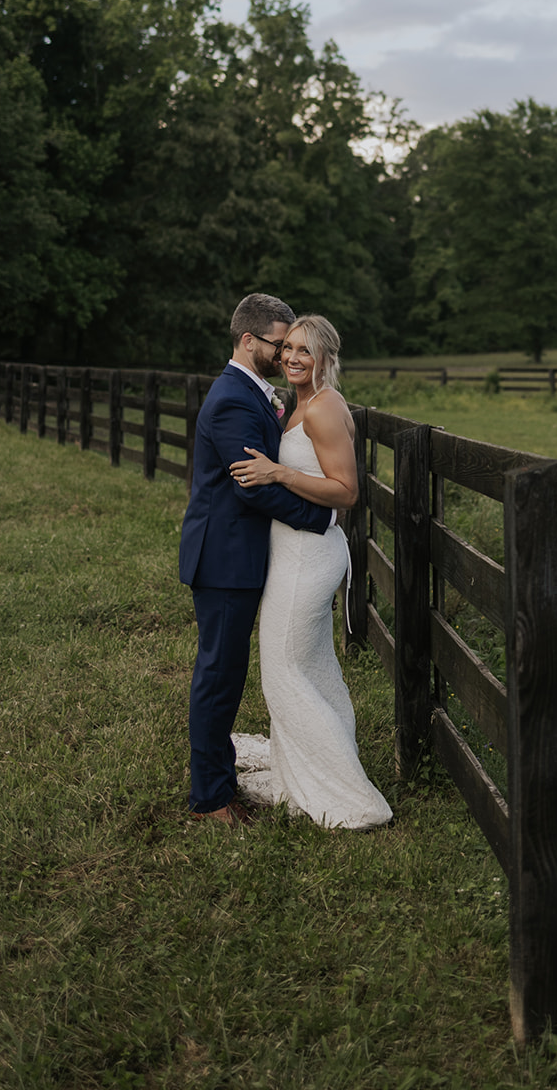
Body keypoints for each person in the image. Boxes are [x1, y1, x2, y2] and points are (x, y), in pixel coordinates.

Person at [229, 314, 392, 830]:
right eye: (288, 350)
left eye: (305, 351)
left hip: (308, 556)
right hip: (296, 551)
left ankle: (346, 794)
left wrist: (279, 471)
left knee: (283, 672)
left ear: (326, 356)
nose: (293, 358)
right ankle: (302, 767)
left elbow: (346, 491)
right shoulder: (304, 404)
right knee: (314, 667)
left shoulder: (323, 410)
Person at [179, 293, 336, 826]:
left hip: (241, 555)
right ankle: (211, 800)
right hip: (225, 560)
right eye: (279, 342)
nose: (285, 352)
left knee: (228, 673)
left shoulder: (255, 394)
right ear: (249, 341)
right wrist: (322, 520)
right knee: (219, 676)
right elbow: (252, 487)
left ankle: (218, 781)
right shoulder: (232, 399)